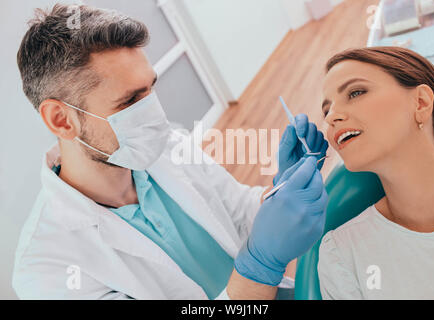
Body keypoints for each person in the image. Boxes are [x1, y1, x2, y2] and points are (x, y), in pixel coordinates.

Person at [12, 4, 329, 299]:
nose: (155, 115)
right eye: (129, 101)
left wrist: (281, 190)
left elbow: (238, 211)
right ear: (61, 120)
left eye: (151, 88)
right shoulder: (46, 269)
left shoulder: (167, 146)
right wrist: (260, 266)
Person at [317, 46, 434, 299]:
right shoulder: (342, 254)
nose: (331, 117)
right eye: (326, 110)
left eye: (356, 92)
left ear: (420, 102)